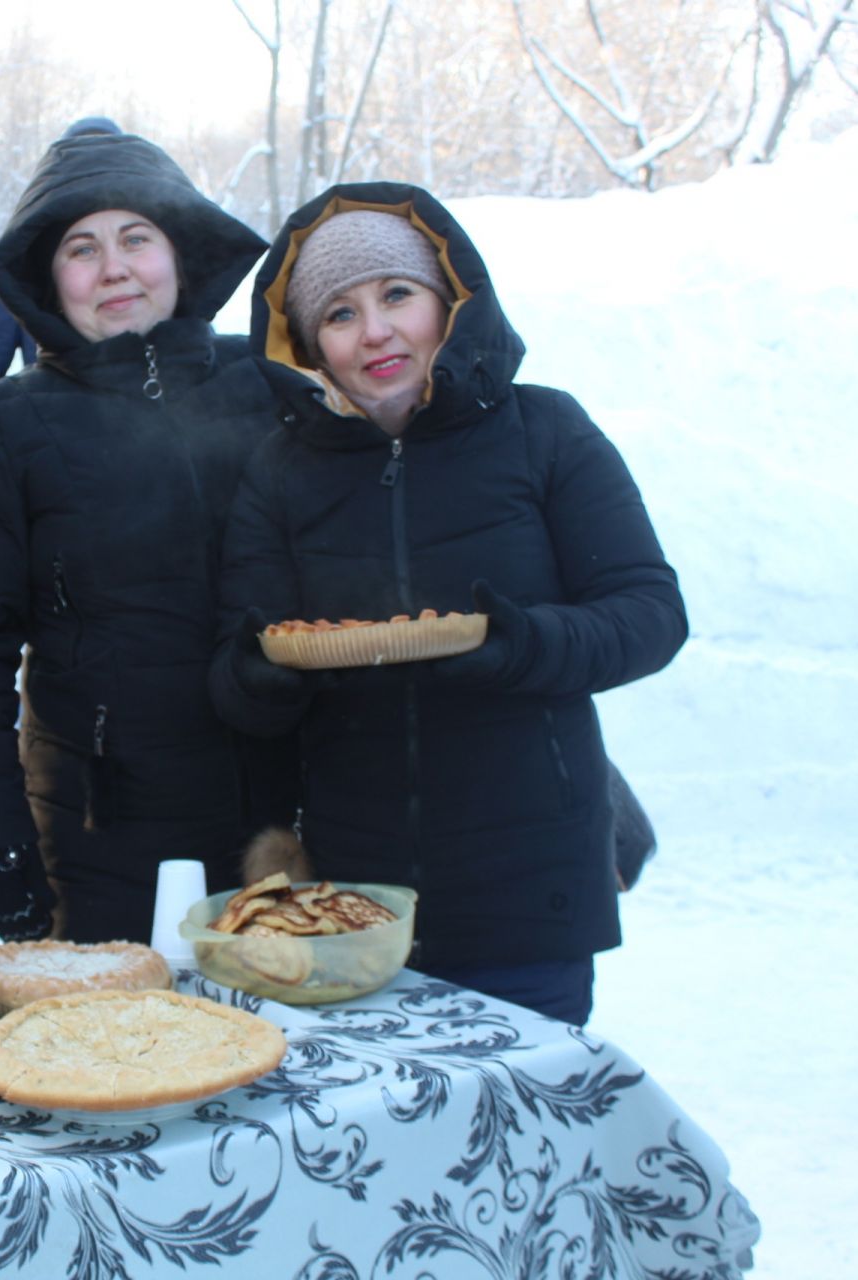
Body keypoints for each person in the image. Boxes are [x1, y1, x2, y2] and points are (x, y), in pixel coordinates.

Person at [209, 183, 688, 1025]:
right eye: (341, 313)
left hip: (528, 890)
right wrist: (266, 674)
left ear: (450, 302)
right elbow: (238, 674)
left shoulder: (546, 433)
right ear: (312, 343)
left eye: (398, 295)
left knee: (533, 1141)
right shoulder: (280, 472)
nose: (377, 331)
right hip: (351, 907)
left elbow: (650, 614)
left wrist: (521, 646)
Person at [0, 131, 298, 946]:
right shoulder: (6, 425)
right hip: (102, 840)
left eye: (137, 239)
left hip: (285, 823)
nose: (115, 268)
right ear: (48, 280)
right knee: (124, 1063)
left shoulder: (270, 388)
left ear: (179, 254)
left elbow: (380, 582)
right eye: (81, 249)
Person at [0, 116, 121, 409]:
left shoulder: (149, 266)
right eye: (80, 167)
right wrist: (25, 430)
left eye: (105, 164)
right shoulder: (23, 271)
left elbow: (194, 362)